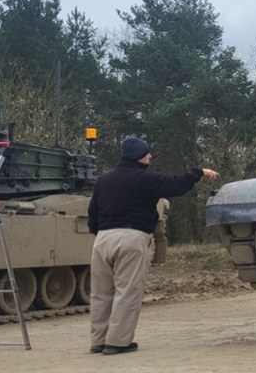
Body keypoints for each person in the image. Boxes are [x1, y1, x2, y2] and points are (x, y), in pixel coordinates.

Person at [87, 135, 219, 355]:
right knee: (128, 291)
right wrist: (198, 172)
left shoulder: (104, 180)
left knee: (101, 293)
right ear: (137, 157)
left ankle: (98, 340)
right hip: (132, 237)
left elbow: (92, 213)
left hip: (102, 238)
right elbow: (175, 185)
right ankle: (117, 342)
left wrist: (99, 233)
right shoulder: (143, 178)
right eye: (146, 153)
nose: (150, 156)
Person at [151, 198, 171, 265]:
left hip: (151, 215)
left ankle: (159, 259)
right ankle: (160, 259)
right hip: (158, 215)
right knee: (160, 237)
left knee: (159, 237)